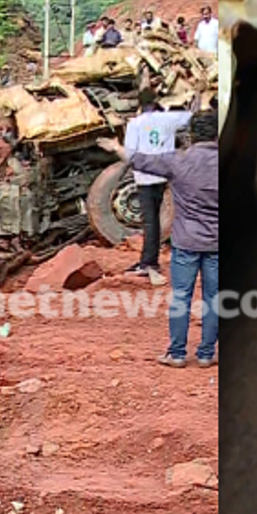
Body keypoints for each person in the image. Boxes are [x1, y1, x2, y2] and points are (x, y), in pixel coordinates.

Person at [97, 111, 218, 368]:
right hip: (217, 244)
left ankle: (177, 354)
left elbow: (141, 161)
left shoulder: (178, 161)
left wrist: (116, 147)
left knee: (181, 297)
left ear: (193, 135)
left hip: (186, 243)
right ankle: (207, 354)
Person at [122, 94, 194, 279]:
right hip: (163, 176)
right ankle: (155, 259)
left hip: (145, 178)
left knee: (150, 221)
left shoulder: (135, 123)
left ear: (140, 107)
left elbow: (129, 152)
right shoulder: (168, 119)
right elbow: (192, 114)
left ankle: (148, 262)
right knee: (161, 218)